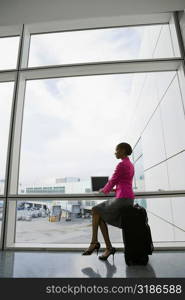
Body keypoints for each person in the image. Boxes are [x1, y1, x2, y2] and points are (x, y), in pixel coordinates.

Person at [82, 142, 135, 260]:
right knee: (98, 214)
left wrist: (104, 190)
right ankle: (107, 247)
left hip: (122, 199)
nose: (115, 152)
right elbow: (125, 183)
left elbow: (113, 180)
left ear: (123, 150)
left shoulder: (121, 165)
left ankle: (95, 243)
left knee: (95, 210)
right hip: (128, 198)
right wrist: (115, 190)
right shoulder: (131, 164)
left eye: (117, 150)